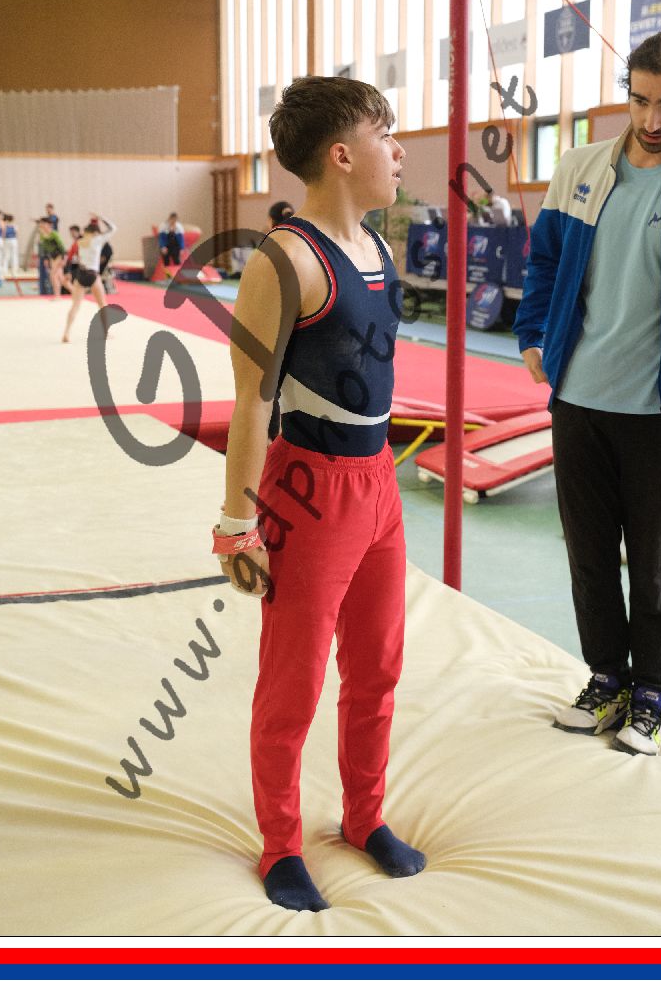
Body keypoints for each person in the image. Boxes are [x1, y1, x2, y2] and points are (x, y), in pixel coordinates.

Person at [214, 76, 425, 912]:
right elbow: (251, 402)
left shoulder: (376, 247)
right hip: (308, 493)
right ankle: (281, 843)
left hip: (379, 487)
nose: (399, 151)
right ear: (341, 155)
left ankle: (365, 817)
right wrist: (237, 526)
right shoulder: (286, 260)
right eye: (386, 135)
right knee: (294, 682)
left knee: (377, 668)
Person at [513, 31, 661, 757]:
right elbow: (544, 261)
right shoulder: (580, 168)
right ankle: (606, 680)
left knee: (651, 565)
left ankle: (652, 694)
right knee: (589, 556)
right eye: (641, 100)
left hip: (660, 407)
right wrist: (532, 335)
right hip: (579, 397)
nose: (653, 119)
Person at [62, 214, 116, 342]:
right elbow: (113, 228)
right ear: (95, 233)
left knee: (75, 305)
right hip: (93, 274)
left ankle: (67, 332)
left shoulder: (80, 242)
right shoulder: (97, 240)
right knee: (102, 304)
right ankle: (105, 332)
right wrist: (101, 217)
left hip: (81, 273)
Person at [36, 217, 66, 300]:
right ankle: (73, 291)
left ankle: (57, 295)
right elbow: (44, 248)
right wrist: (45, 258)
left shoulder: (54, 234)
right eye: (41, 224)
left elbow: (62, 247)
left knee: (53, 275)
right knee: (60, 278)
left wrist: (63, 258)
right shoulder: (42, 235)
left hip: (59, 256)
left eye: (43, 224)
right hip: (52, 257)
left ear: (49, 225)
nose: (42, 225)